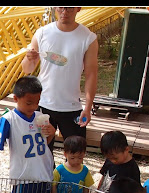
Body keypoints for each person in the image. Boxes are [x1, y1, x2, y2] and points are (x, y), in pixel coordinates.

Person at [21, 7, 98, 154]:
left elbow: (91, 75)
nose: (64, 12)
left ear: (78, 9)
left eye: (69, 8)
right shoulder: (42, 33)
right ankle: (46, 177)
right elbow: (27, 69)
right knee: (41, 153)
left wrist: (88, 107)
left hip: (72, 106)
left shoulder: (88, 38)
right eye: (61, 7)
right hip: (43, 103)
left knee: (76, 154)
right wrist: (29, 58)